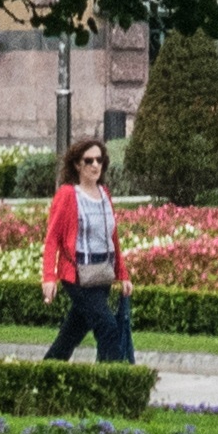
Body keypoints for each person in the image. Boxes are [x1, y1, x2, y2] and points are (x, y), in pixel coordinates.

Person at [36, 136, 133, 362]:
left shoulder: (104, 194)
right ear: (78, 165)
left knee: (72, 333)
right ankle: (114, 383)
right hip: (77, 275)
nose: (95, 165)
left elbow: (113, 238)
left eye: (99, 160)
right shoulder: (68, 195)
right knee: (108, 327)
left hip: (102, 274)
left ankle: (45, 375)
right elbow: (52, 238)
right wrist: (49, 277)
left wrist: (123, 274)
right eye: (89, 161)